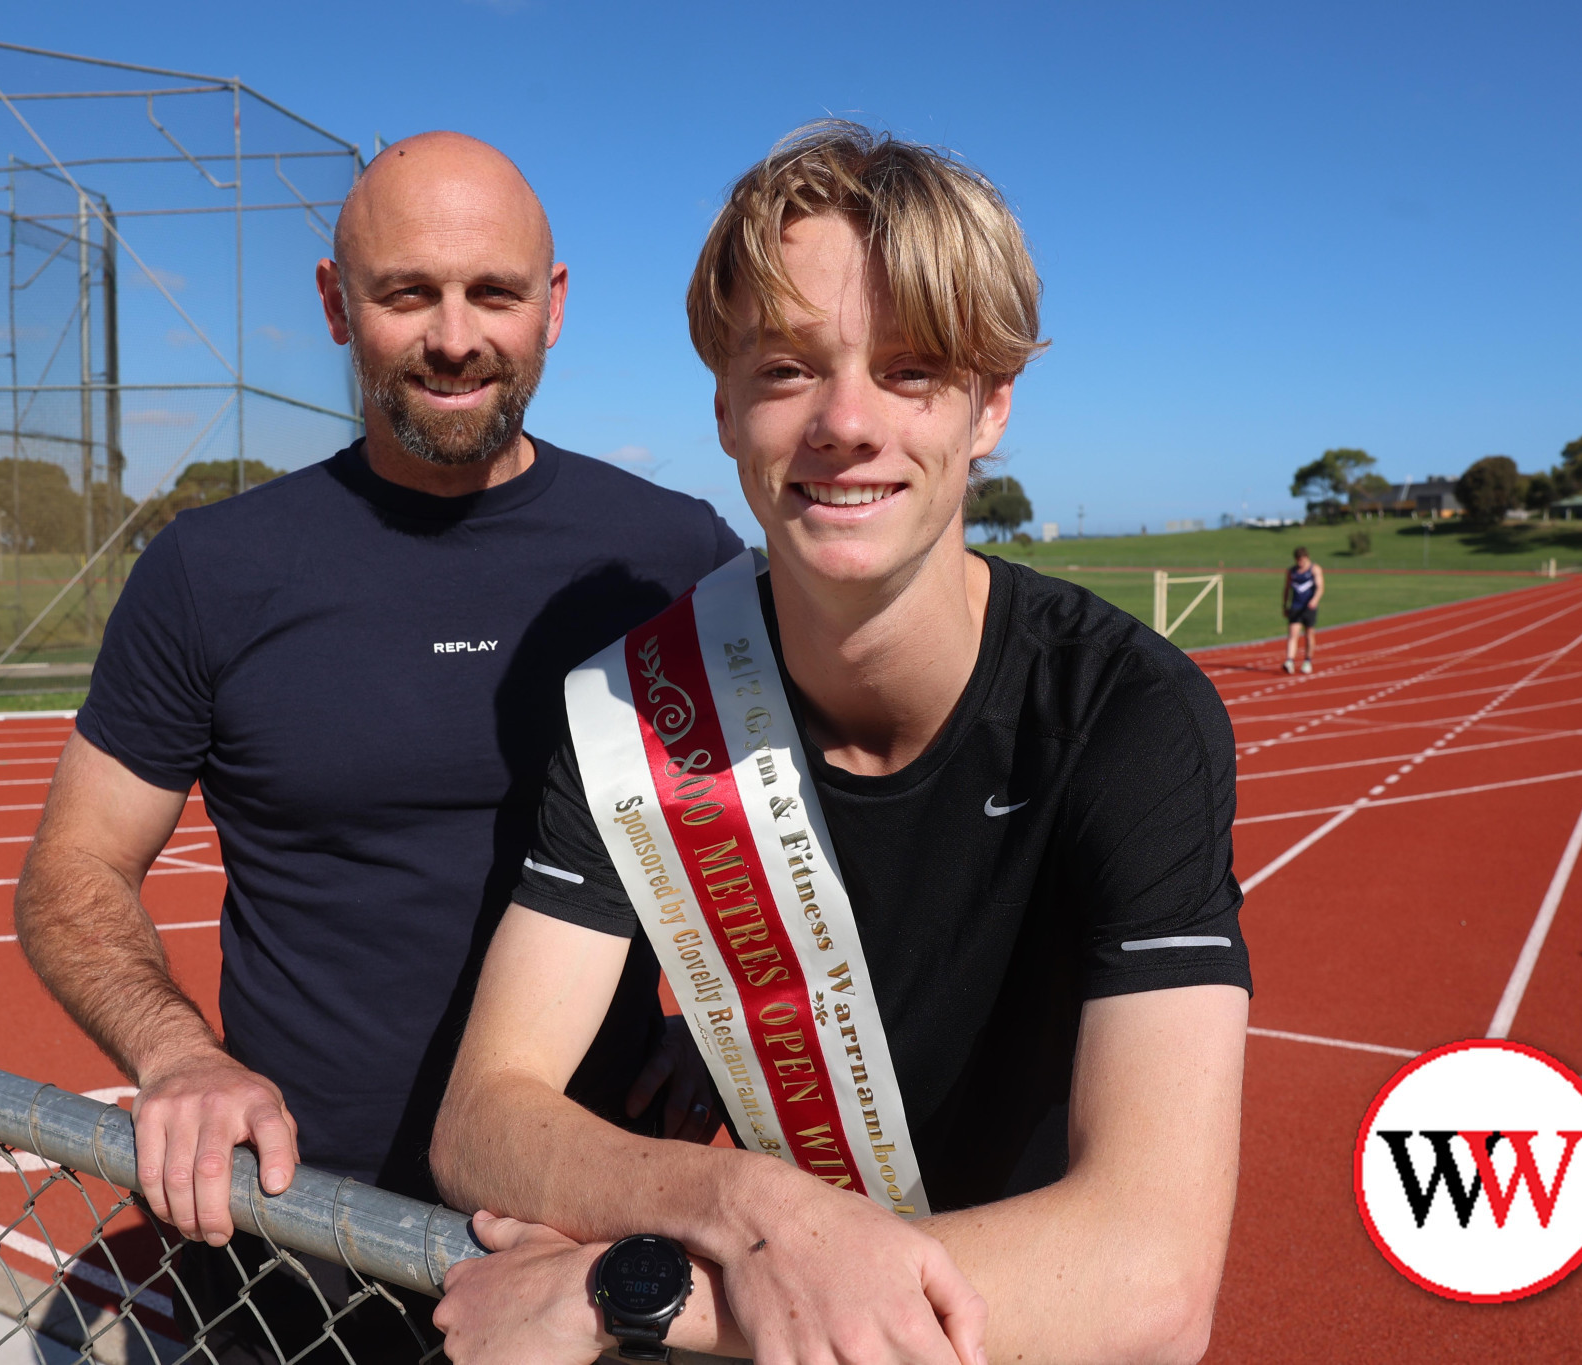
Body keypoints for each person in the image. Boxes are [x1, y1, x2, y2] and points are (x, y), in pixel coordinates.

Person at [429, 122, 1251, 1365]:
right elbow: (481, 1121)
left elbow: (1151, 1281)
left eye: (912, 368)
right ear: (722, 407)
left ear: (989, 406)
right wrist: (750, 1214)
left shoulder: (1126, 717)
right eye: (787, 368)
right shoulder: (632, 711)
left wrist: (627, 1293)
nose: (846, 422)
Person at [14, 132, 740, 1363]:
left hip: (575, 1238)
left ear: (551, 306)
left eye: (493, 293)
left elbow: (806, 841)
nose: (453, 337)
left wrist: (725, 1036)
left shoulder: (671, 559)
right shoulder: (212, 571)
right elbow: (69, 875)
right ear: (336, 303)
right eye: (407, 292)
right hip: (296, 1233)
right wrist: (178, 1056)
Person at [1283, 545, 1322, 674]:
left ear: (1307, 558)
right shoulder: (1291, 572)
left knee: (1309, 634)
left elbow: (1320, 587)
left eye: (1302, 560)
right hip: (1295, 606)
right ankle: (1289, 660)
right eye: (1298, 560)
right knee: (1293, 634)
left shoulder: (1314, 569)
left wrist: (1314, 600)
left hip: (1308, 607)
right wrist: (1285, 605)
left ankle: (1307, 661)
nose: (1300, 562)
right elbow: (1287, 589)